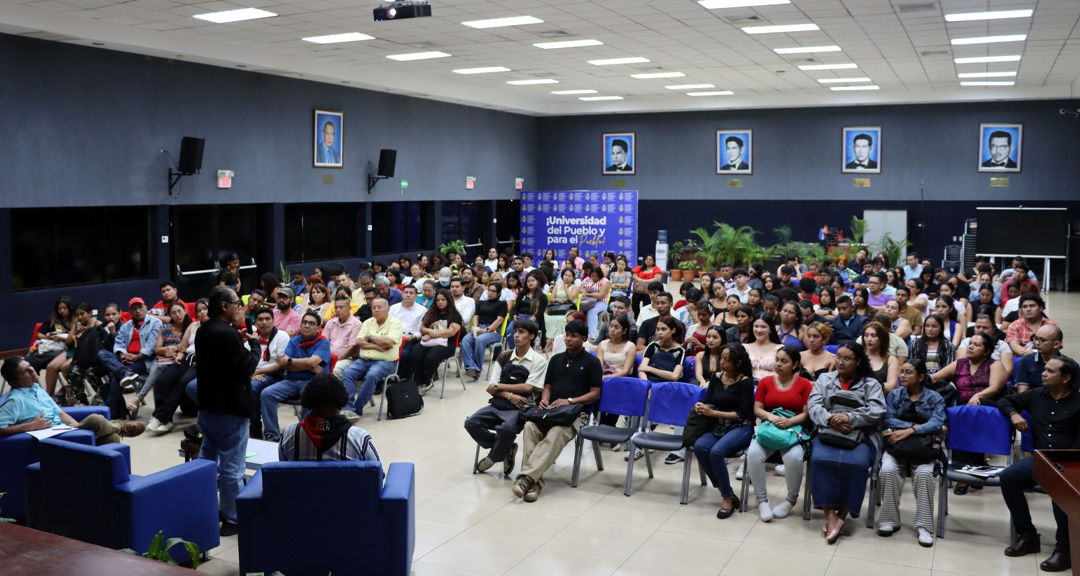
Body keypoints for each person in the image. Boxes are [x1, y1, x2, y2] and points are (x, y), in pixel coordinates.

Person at [998, 357, 1079, 571]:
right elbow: (1005, 401)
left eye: (1050, 371)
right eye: (1044, 369)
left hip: (1071, 462)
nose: (1043, 374)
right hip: (1042, 458)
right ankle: (1028, 535)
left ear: (1066, 378)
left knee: (1059, 484)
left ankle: (1066, 548)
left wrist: (1066, 461)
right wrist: (1014, 415)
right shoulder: (1037, 395)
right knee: (1008, 477)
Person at [512, 320, 601, 502]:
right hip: (550, 410)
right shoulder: (556, 359)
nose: (568, 339)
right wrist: (545, 398)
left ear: (584, 339)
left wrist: (570, 401)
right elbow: (548, 386)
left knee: (556, 433)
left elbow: (595, 394)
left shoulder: (592, 362)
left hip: (575, 413)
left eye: (574, 336)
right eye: (567, 335)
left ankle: (525, 478)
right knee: (530, 427)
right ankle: (533, 483)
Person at [195, 287, 261, 536]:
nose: (240, 308)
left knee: (207, 461)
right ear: (224, 306)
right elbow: (247, 367)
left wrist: (238, 339)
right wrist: (254, 345)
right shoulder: (226, 333)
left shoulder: (204, 330)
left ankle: (206, 509)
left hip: (208, 408)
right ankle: (232, 518)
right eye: (237, 304)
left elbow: (224, 358)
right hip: (230, 410)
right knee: (232, 467)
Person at [808, 342, 886, 544]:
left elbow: (877, 410)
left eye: (846, 358)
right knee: (819, 461)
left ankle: (842, 515)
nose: (840, 362)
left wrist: (849, 418)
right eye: (838, 357)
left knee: (857, 464)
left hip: (860, 434)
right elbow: (814, 405)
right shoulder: (825, 379)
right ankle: (830, 516)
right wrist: (832, 420)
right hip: (827, 431)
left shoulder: (871, 383)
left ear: (858, 361)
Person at [877, 359, 946, 547]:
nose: (902, 376)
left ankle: (924, 526)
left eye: (908, 372)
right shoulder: (894, 395)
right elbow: (888, 418)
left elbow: (937, 423)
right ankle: (890, 519)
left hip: (924, 447)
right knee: (888, 471)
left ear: (921, 377)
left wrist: (911, 430)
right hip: (896, 445)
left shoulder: (934, 398)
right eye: (901, 372)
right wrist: (911, 426)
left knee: (924, 475)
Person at [0, 356, 146, 444]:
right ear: (14, 382)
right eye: (25, 371)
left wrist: (79, 429)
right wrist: (30, 426)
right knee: (95, 419)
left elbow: (60, 414)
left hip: (64, 431)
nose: (32, 370)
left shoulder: (36, 388)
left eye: (30, 366)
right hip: (49, 440)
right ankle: (122, 428)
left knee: (111, 438)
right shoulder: (14, 401)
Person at [465, 320, 547, 475]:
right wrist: (510, 396)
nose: (516, 335)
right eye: (515, 331)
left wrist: (500, 387)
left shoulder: (538, 360)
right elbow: (491, 388)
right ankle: (507, 447)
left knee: (507, 429)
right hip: (499, 404)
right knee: (471, 423)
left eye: (521, 332)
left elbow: (528, 388)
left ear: (532, 336)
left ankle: (492, 458)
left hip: (522, 407)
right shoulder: (504, 357)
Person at [687, 342, 755, 519]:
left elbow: (742, 414)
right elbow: (710, 402)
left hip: (741, 427)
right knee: (700, 447)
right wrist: (702, 407)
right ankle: (727, 492)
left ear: (738, 362)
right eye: (721, 358)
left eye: (727, 359)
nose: (722, 362)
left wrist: (712, 412)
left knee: (716, 452)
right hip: (718, 425)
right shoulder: (716, 378)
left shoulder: (746, 382)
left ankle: (726, 498)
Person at [747, 345, 812, 521]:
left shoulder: (804, 384)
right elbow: (757, 409)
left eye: (784, 361)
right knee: (752, 454)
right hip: (769, 428)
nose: (778, 364)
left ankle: (791, 500)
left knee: (794, 457)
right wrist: (771, 417)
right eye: (777, 360)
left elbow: (807, 413)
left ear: (795, 364)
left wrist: (789, 421)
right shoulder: (765, 382)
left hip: (793, 428)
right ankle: (762, 501)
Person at [275, 373, 380, 462]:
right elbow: (377, 474)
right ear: (342, 399)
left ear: (308, 401)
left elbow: (283, 467)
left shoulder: (290, 433)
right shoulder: (359, 437)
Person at [260, 311, 330, 442]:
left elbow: (311, 362)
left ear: (318, 328)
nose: (307, 326)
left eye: (311, 323)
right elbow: (284, 363)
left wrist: (292, 361)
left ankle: (304, 433)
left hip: (312, 382)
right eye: (304, 322)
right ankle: (272, 433)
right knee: (267, 393)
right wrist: (308, 365)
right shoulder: (293, 340)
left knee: (310, 396)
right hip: (291, 381)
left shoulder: (323, 343)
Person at [96, 297, 163, 420]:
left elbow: (152, 345)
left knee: (115, 376)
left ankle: (112, 411)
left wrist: (137, 356)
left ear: (146, 308)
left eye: (140, 307)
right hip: (126, 359)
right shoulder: (126, 326)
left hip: (145, 360)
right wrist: (122, 354)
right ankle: (125, 372)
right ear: (130, 312)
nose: (137, 311)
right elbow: (119, 342)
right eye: (134, 309)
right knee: (102, 354)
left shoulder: (155, 323)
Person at [341, 298, 402, 417]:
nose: (376, 310)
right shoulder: (368, 322)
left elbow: (388, 342)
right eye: (374, 308)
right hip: (364, 360)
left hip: (386, 362)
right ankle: (348, 407)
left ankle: (356, 410)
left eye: (380, 307)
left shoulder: (395, 323)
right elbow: (359, 342)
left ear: (388, 309)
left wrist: (369, 337)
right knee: (347, 373)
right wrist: (377, 347)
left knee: (371, 375)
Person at [401, 289, 462, 394]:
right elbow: (422, 328)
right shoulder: (431, 312)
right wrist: (430, 332)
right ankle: (419, 381)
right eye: (438, 300)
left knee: (430, 357)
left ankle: (428, 380)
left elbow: (451, 332)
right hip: (428, 340)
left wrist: (435, 334)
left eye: (443, 300)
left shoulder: (455, 315)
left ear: (449, 300)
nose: (440, 302)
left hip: (446, 343)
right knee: (415, 353)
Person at [461, 282, 508, 380]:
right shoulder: (482, 302)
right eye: (489, 290)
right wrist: (474, 327)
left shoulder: (502, 304)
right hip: (479, 328)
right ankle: (470, 367)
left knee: (480, 340)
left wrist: (487, 329)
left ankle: (477, 370)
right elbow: (476, 316)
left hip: (493, 331)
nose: (490, 293)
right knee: (465, 340)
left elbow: (499, 320)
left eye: (493, 291)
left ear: (498, 293)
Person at [1015, 325, 1068, 393]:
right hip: (1032, 401)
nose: (1037, 343)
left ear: (1056, 344)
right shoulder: (1026, 360)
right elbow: (1022, 393)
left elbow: (1072, 395)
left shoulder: (1070, 365)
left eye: (1043, 340)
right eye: (1036, 339)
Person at [323, 296, 362, 378]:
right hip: (328, 356)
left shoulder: (357, 324)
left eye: (341, 307)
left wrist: (336, 359)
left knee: (334, 370)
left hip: (347, 359)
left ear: (349, 308)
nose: (338, 310)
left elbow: (352, 347)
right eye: (336, 307)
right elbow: (323, 343)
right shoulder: (330, 322)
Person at [745, 315, 782, 382]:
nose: (759, 330)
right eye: (756, 326)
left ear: (770, 329)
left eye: (763, 327)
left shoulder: (781, 349)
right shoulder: (743, 348)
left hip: (772, 387)